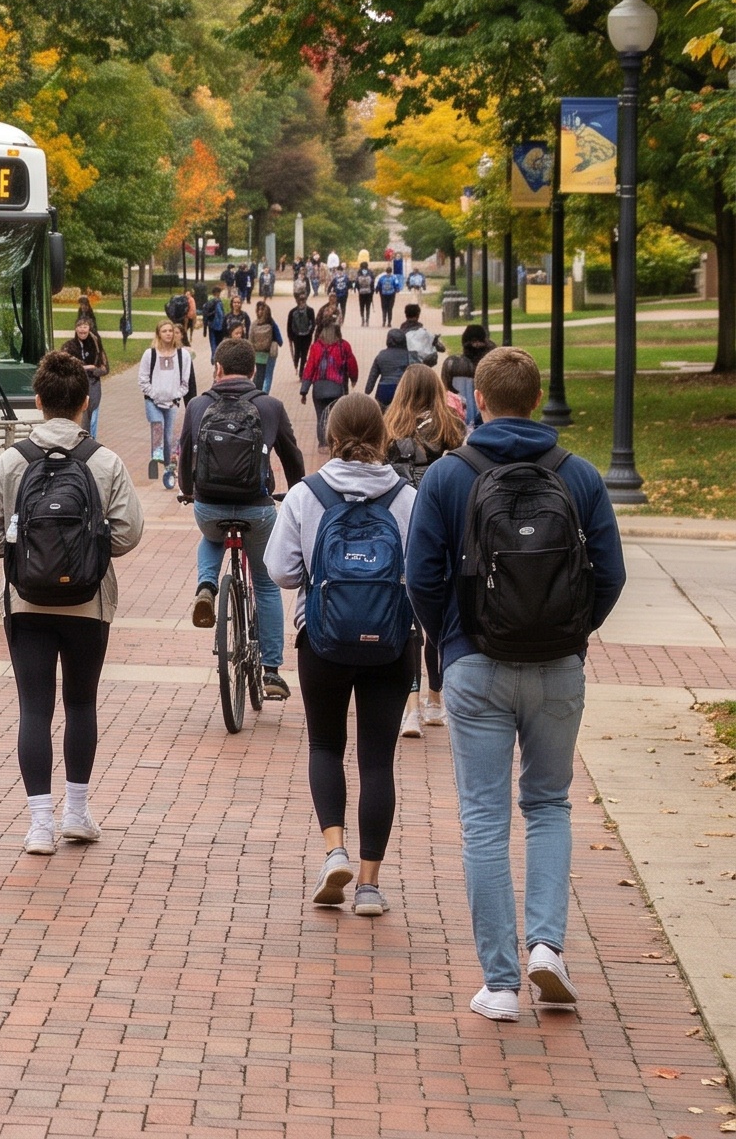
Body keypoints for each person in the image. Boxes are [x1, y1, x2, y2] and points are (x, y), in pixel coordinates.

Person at [406, 348, 627, 1021]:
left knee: (483, 820)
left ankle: (500, 984)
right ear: (536, 402)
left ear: (477, 402)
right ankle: (548, 949)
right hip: (558, 666)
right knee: (550, 804)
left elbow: (421, 576)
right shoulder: (580, 475)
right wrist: (572, 632)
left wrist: (450, 641)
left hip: (475, 662)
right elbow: (610, 573)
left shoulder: (449, 476)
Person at [0, 350, 145, 853]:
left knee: (34, 708)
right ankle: (77, 812)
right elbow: (130, 531)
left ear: (39, 401)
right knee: (81, 703)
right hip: (88, 603)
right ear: (85, 403)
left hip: (26, 603)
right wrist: (88, 549)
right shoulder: (104, 460)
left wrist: (25, 547)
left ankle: (40, 824)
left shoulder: (13, 459)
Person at [267, 394, 414, 917]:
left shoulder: (308, 495)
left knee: (326, 746)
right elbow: (422, 572)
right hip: (393, 642)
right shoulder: (405, 497)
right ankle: (370, 886)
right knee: (378, 761)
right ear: (382, 437)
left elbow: (281, 572)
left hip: (323, 639)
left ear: (332, 436)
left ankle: (334, 850)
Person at [182, 337, 308, 699]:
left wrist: (191, 491)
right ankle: (270, 671)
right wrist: (296, 491)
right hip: (257, 507)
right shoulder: (270, 405)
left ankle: (207, 586)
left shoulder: (197, 404)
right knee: (266, 585)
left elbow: (186, 457)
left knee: (211, 536)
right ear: (254, 371)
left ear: (217, 369)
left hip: (209, 507)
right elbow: (292, 457)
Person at [385, 362, 468, 736]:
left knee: (406, 621)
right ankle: (437, 700)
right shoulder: (451, 427)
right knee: (435, 619)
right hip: (441, 530)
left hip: (399, 527)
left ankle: (409, 707)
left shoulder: (389, 428)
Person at [137, 322, 196, 488]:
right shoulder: (150, 354)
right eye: (164, 331)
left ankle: (169, 469)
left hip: (172, 402)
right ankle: (156, 459)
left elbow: (186, 382)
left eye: (171, 331)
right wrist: (155, 395)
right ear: (158, 334)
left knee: (170, 437)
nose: (168, 334)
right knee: (158, 427)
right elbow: (142, 380)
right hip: (153, 401)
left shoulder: (182, 355)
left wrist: (175, 396)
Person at [302, 317, 357, 444]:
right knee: (337, 417)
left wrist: (304, 390)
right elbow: (352, 364)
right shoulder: (344, 346)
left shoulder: (316, 347)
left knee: (321, 416)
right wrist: (353, 378)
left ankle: (323, 444)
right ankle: (336, 442)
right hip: (338, 387)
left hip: (319, 388)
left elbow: (310, 367)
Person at [64, 306, 109, 438]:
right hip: (76, 386)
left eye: (85, 327)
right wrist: (83, 368)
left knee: (92, 419)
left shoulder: (96, 346)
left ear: (89, 329)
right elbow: (64, 366)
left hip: (93, 386)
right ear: (75, 329)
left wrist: (93, 369)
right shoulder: (68, 346)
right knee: (78, 418)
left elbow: (105, 368)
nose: (82, 329)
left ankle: (91, 443)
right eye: (80, 326)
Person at [366, 326, 414, 408]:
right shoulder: (409, 355)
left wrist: (367, 390)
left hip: (383, 390)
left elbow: (372, 376)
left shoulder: (381, 355)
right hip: (402, 389)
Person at [286, 292, 318, 391]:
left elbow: (313, 323)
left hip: (306, 336)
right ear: (297, 301)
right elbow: (289, 325)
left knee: (304, 354)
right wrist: (290, 336)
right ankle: (296, 363)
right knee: (297, 353)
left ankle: (301, 373)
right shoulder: (292, 312)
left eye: (303, 300)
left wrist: (310, 332)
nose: (302, 302)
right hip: (297, 336)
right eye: (300, 300)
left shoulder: (310, 311)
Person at [249, 301, 281, 393]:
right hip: (269, 353)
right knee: (268, 375)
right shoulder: (271, 323)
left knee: (259, 373)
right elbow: (279, 339)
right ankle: (264, 393)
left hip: (258, 353)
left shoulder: (254, 324)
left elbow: (250, 338)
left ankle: (256, 392)